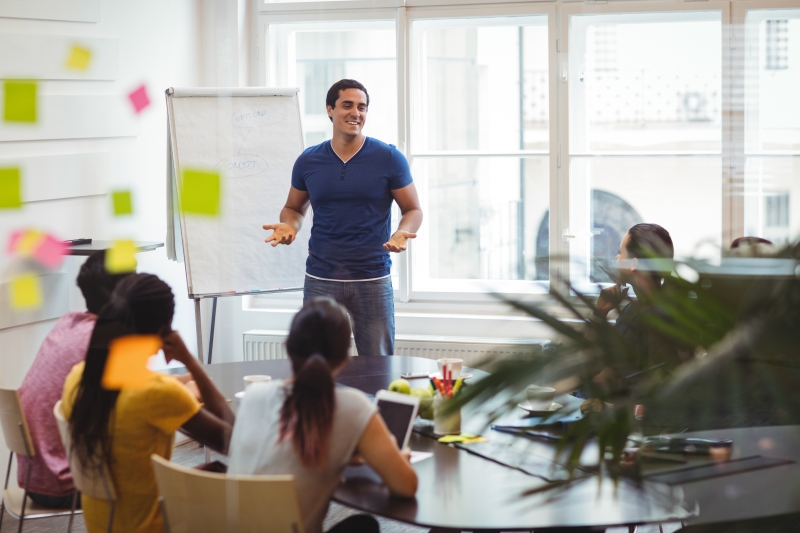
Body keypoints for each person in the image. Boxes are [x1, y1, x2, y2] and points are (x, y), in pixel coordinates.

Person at [62, 274, 235, 533]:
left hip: (100, 524)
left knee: (210, 470)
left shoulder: (78, 377)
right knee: (225, 473)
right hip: (146, 526)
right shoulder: (157, 394)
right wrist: (190, 362)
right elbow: (234, 441)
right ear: (164, 332)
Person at [228, 297, 418, 533]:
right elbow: (406, 487)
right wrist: (399, 457)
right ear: (345, 358)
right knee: (365, 526)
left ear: (287, 346)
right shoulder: (352, 406)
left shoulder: (254, 395)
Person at [262, 79, 423, 356]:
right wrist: (289, 226)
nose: (355, 113)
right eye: (347, 105)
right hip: (320, 277)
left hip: (372, 278)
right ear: (330, 110)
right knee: (315, 365)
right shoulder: (308, 160)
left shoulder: (389, 158)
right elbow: (294, 208)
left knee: (378, 367)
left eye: (362, 107)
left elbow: (413, 210)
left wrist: (401, 232)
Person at [16, 250, 130, 508]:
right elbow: (140, 400)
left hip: (33, 479)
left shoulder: (68, 322)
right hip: (69, 483)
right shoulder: (107, 338)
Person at [588, 223, 691, 395]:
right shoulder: (637, 308)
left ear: (633, 263)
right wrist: (600, 313)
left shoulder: (649, 317)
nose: (617, 257)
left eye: (621, 252)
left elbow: (605, 376)